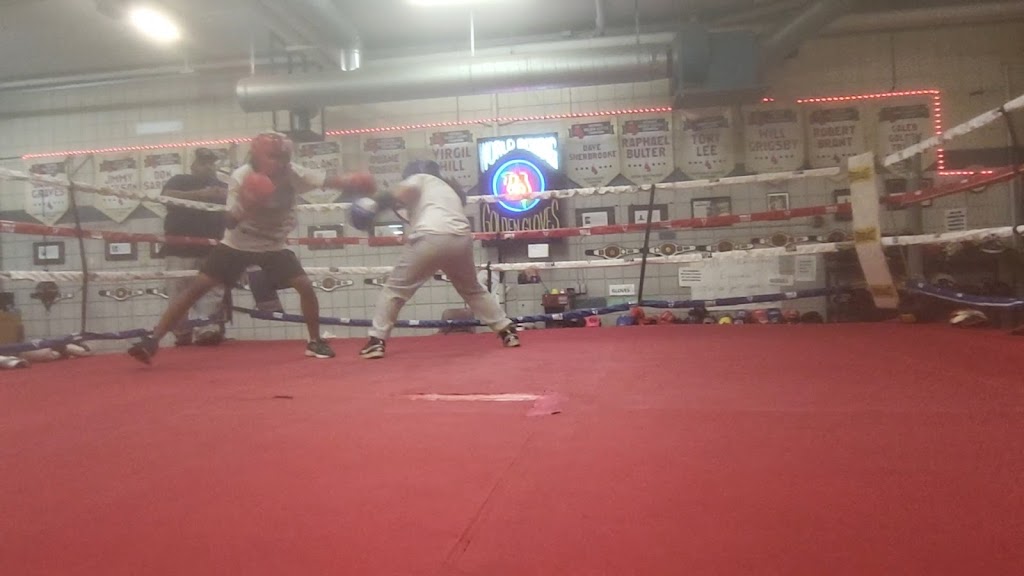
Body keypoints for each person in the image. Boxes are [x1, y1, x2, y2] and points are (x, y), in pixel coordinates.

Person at [128, 132, 374, 364]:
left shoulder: (292, 172)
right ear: (258, 156)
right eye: (275, 157)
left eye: (284, 157)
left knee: (305, 287)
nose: (281, 163)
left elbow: (326, 180)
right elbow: (230, 221)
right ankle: (152, 341)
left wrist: (352, 181)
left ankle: (315, 341)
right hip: (237, 244)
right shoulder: (241, 176)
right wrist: (249, 201)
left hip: (274, 245)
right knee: (196, 289)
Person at [349, 160, 520, 359]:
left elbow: (399, 193)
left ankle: (376, 341)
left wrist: (374, 203)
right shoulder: (448, 189)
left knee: (395, 290)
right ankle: (506, 330)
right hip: (461, 238)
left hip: (431, 236)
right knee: (472, 289)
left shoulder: (420, 178)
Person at [160, 148, 229, 347]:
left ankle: (206, 329)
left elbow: (236, 199)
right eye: (203, 163)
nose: (208, 167)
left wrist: (218, 193)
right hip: (180, 247)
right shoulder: (179, 180)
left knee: (212, 289)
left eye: (211, 163)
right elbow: (167, 196)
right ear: (193, 165)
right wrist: (202, 195)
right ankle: (181, 331)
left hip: (212, 247)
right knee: (178, 290)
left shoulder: (221, 186)